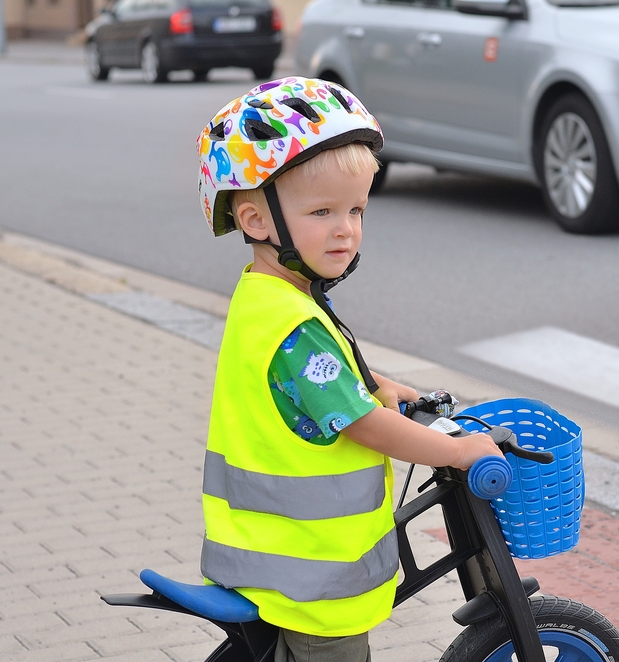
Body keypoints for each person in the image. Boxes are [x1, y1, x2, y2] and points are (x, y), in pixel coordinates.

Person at [195, 77, 503, 662]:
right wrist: (458, 452)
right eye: (322, 211)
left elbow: (318, 380)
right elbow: (361, 423)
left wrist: (380, 384)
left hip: (275, 551)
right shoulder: (293, 321)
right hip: (309, 576)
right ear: (258, 221)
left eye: (357, 208)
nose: (346, 228)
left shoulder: (273, 295)